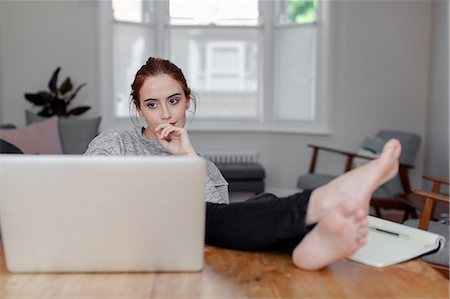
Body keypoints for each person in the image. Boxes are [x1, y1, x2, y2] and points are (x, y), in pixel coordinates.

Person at [85, 57, 402, 270]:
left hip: (182, 245)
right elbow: (83, 197)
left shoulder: (205, 167)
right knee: (251, 209)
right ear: (139, 110)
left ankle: (306, 245)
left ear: (187, 100)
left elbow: (216, 230)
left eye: (174, 100)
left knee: (261, 203)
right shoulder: (113, 143)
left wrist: (186, 160)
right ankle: (318, 209)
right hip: (128, 236)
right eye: (152, 105)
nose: (165, 115)